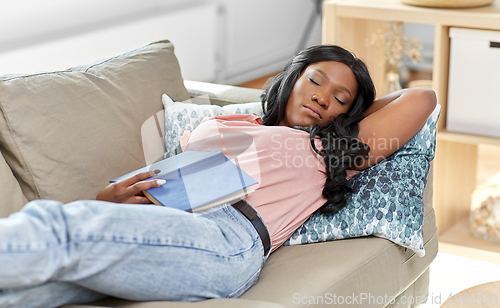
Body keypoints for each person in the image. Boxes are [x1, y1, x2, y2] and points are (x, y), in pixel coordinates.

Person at [0, 45, 437, 307]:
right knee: (41, 290)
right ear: (292, 78)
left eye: (340, 98)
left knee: (53, 223)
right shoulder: (235, 125)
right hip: (167, 214)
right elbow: (165, 180)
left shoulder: (326, 150)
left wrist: (351, 116)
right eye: (316, 81)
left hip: (226, 237)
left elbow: (421, 97)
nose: (324, 98)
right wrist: (107, 197)